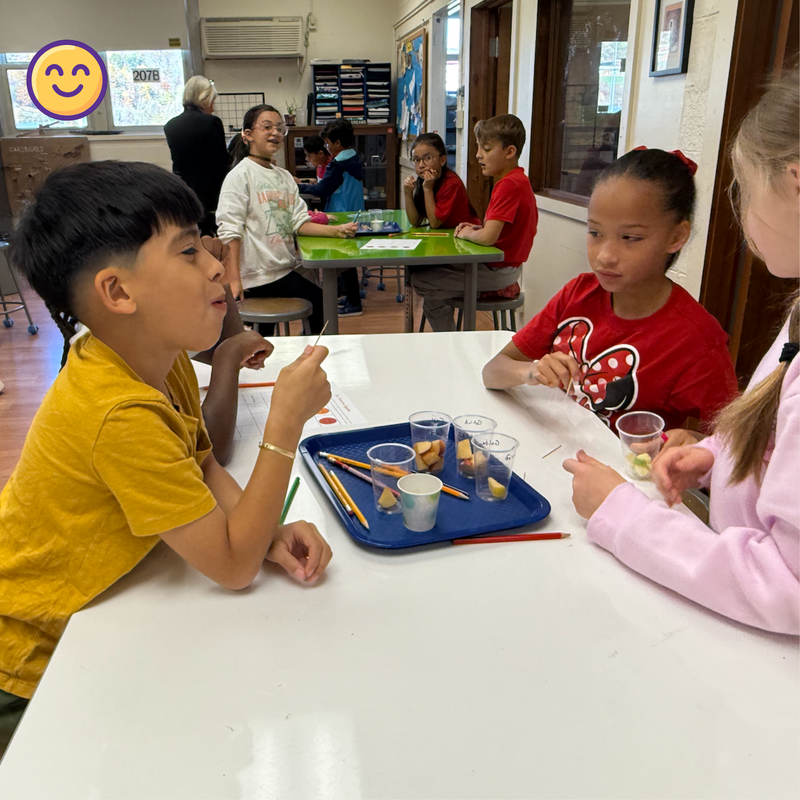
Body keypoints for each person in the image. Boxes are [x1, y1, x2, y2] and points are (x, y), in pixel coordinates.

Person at [0, 161, 334, 750]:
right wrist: (284, 425)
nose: (214, 264)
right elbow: (232, 569)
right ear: (119, 291)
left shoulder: (158, 355)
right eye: (187, 252)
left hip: (100, 616)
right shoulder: (117, 412)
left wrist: (268, 531)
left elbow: (202, 464)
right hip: (27, 652)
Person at [562, 67, 800, 634]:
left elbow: (787, 585)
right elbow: (776, 441)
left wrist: (621, 511)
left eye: (743, 187)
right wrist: (719, 456)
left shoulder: (692, 331)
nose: (742, 213)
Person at [482, 147, 739, 433]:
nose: (605, 256)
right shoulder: (577, 294)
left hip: (620, 475)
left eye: (630, 237)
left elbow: (733, 443)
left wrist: (694, 441)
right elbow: (492, 371)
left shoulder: (697, 341)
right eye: (595, 233)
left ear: (676, 236)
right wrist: (531, 371)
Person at [216, 105, 356, 332]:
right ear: (247, 134)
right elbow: (230, 231)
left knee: (319, 301)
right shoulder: (239, 175)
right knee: (319, 302)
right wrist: (234, 280)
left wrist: (337, 230)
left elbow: (299, 223)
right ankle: (308, 355)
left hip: (282, 270)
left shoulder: (284, 177)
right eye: (267, 127)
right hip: (255, 276)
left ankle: (310, 356)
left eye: (279, 128)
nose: (275, 133)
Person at [411, 114, 537, 332]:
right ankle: (451, 344)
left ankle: (453, 346)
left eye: (486, 149)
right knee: (433, 296)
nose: (478, 155)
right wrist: (476, 228)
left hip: (497, 272)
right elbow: (498, 230)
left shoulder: (508, 185)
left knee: (421, 280)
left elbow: (489, 238)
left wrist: (467, 234)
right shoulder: (517, 180)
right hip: (505, 268)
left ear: (509, 152)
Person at [302, 119, 365, 317]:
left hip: (340, 214)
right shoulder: (354, 157)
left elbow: (322, 189)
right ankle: (350, 298)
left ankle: (354, 303)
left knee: (344, 260)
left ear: (337, 143)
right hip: (354, 210)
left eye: (328, 142)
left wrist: (298, 187)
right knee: (347, 259)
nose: (327, 147)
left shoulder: (338, 165)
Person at [164, 76, 229, 237]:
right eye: (212, 101)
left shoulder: (171, 126)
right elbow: (221, 163)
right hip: (211, 194)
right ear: (205, 99)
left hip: (183, 191)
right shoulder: (211, 122)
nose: (213, 108)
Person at [402, 132, 479, 229]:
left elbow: (434, 223)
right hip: (446, 234)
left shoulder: (452, 183)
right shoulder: (423, 180)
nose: (421, 165)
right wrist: (408, 193)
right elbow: (415, 221)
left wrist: (427, 188)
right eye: (416, 160)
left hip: (466, 234)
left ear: (442, 160)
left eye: (428, 158)